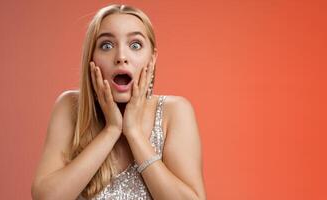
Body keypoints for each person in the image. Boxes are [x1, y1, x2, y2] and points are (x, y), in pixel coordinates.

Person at [31, 4, 206, 200]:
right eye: (106, 45)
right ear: (91, 58)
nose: (121, 57)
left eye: (135, 45)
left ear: (152, 58)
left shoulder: (174, 111)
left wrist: (133, 133)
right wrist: (112, 130)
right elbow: (47, 197)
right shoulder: (69, 106)